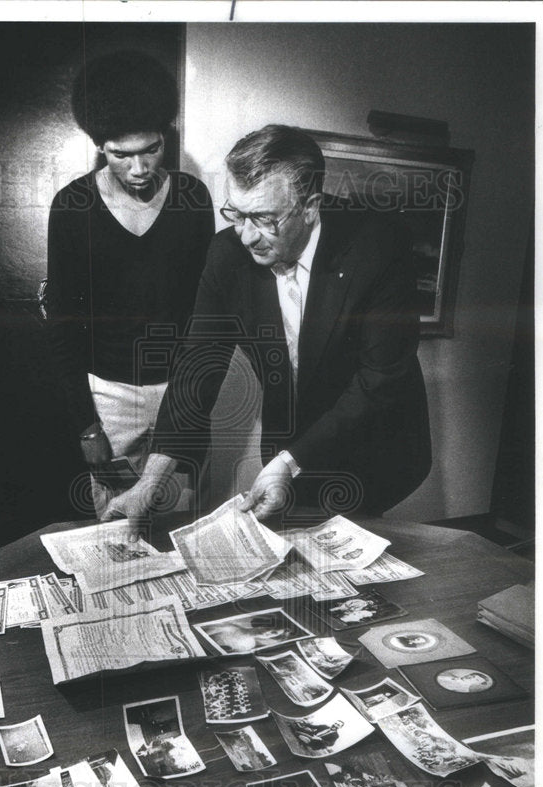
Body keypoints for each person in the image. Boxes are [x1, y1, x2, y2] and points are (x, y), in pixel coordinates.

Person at [104, 124, 431, 529]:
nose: (245, 236)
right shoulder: (227, 255)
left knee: (360, 554)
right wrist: (151, 481)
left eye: (262, 218)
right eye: (236, 214)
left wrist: (290, 462)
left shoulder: (378, 245)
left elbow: (379, 381)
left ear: (310, 207)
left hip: (375, 444)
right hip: (288, 442)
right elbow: (197, 366)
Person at [47, 50, 214, 514]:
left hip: (179, 390)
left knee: (177, 522)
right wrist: (87, 426)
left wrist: (191, 395)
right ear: (100, 146)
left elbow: (206, 312)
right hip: (108, 396)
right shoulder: (72, 207)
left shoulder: (192, 198)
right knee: (117, 530)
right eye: (122, 155)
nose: (139, 169)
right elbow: (63, 326)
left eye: (152, 150)